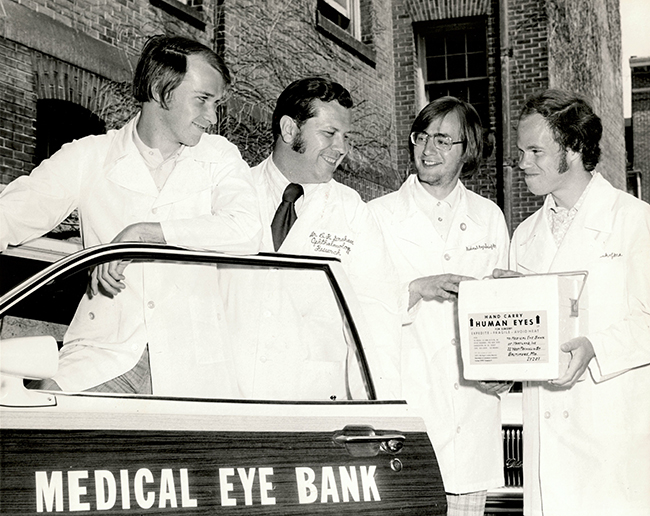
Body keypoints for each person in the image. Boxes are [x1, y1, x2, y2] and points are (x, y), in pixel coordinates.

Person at [0, 35, 262, 397]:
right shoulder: (90, 156)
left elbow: (247, 231)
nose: (211, 117)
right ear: (159, 89)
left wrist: (143, 232)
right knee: (42, 407)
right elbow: (11, 214)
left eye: (215, 104)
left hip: (194, 365)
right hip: (106, 354)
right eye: (203, 100)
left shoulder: (219, 156)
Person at [505, 89, 650, 515]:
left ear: (573, 149)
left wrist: (596, 348)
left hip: (609, 438)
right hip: (545, 439)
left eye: (535, 151)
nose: (523, 163)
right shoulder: (524, 235)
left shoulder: (635, 221)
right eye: (520, 151)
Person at [218, 77, 401, 400]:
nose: (341, 148)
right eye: (329, 134)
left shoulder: (352, 212)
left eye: (346, 137)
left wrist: (378, 406)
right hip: (227, 396)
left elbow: (374, 320)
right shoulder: (230, 193)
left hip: (311, 401)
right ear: (289, 130)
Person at [368, 97, 509, 516]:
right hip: (408, 402)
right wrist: (416, 288)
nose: (428, 150)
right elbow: (361, 308)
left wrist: (503, 370)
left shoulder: (489, 218)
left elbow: (501, 313)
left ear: (468, 149)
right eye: (422, 136)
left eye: (443, 140)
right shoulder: (377, 215)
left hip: (472, 405)